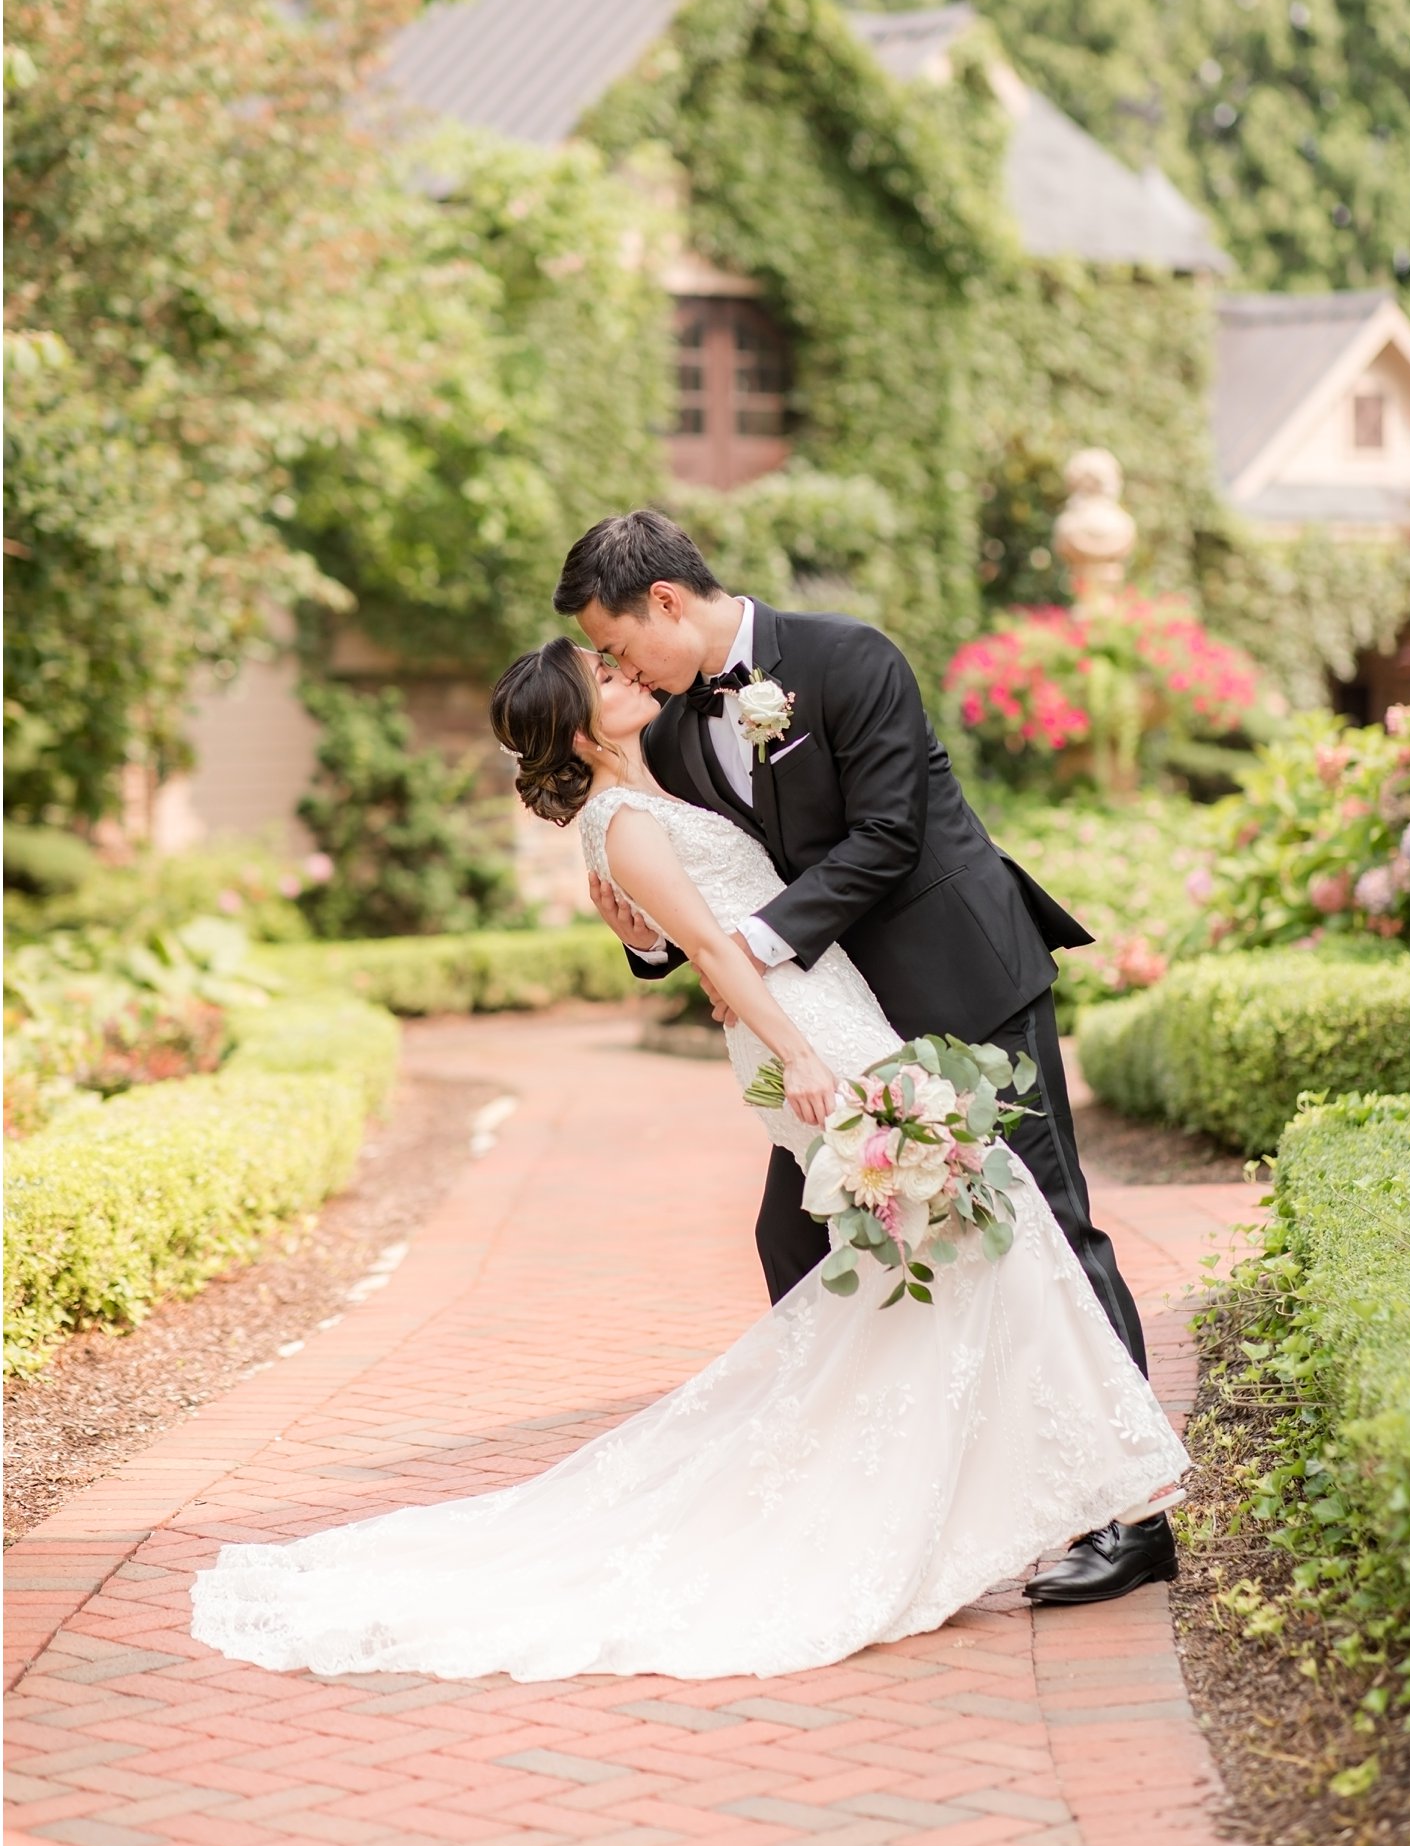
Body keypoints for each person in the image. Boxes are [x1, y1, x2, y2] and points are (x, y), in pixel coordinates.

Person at [189, 640, 1188, 1684]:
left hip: (836, 1001)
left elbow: (730, 894)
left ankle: (1026, 1493)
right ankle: (1066, 1497)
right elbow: (706, 947)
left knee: (970, 1235)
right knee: (984, 1223)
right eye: (605, 678)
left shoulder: (664, 756)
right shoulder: (618, 820)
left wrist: (708, 962)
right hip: (803, 1027)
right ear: (582, 727)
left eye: (621, 661)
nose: (627, 677)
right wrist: (798, 1050)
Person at [557, 510, 1173, 1606]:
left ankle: (1129, 1515)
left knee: (1046, 1220)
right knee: (792, 1234)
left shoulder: (848, 658)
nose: (615, 668)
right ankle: (857, 1490)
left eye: (615, 645)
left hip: (961, 979)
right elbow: (701, 885)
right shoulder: (672, 732)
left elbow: (885, 836)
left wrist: (743, 949)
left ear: (664, 602)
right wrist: (652, 942)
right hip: (842, 1028)